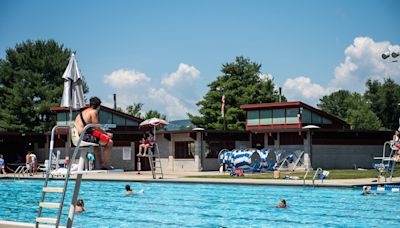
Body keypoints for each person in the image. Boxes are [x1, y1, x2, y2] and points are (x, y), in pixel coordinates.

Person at [75, 97, 114, 170]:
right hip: (84, 136)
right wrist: (107, 134)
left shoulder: (82, 113)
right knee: (109, 142)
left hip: (78, 136)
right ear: (98, 106)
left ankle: (101, 164)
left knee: (97, 144)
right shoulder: (93, 112)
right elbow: (97, 128)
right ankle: (106, 164)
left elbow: (92, 130)